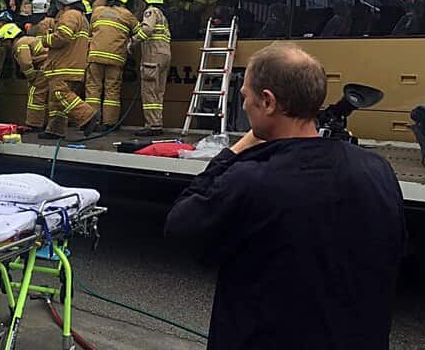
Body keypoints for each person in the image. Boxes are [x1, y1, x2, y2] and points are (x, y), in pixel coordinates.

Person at [165, 43, 406, 350]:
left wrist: (234, 150)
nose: (245, 106)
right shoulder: (377, 170)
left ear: (267, 102)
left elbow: (179, 226)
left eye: (246, 97)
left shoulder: (250, 179)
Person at [39, 0, 98, 139]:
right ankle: (54, 130)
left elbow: (62, 37)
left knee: (60, 94)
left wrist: (45, 40)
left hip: (64, 65)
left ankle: (87, 116)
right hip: (72, 65)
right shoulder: (81, 17)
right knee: (56, 101)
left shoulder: (70, 15)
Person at [86, 0, 142, 131]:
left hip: (95, 56)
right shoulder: (127, 14)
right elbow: (139, 32)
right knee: (112, 91)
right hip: (115, 58)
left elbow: (91, 30)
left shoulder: (97, 11)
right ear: (123, 2)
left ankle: (91, 121)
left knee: (93, 89)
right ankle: (109, 123)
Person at [132, 0, 171, 136]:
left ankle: (151, 126)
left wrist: (133, 41)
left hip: (153, 57)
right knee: (158, 93)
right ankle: (157, 123)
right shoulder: (163, 15)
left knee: (149, 92)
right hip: (164, 56)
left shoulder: (151, 11)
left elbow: (147, 30)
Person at [0, 23, 50, 131]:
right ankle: (45, 122)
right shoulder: (27, 39)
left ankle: (34, 124)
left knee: (35, 95)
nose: (5, 45)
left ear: (10, 38)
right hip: (50, 66)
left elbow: (26, 63)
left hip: (44, 67)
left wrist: (31, 77)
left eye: (5, 42)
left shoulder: (20, 44)